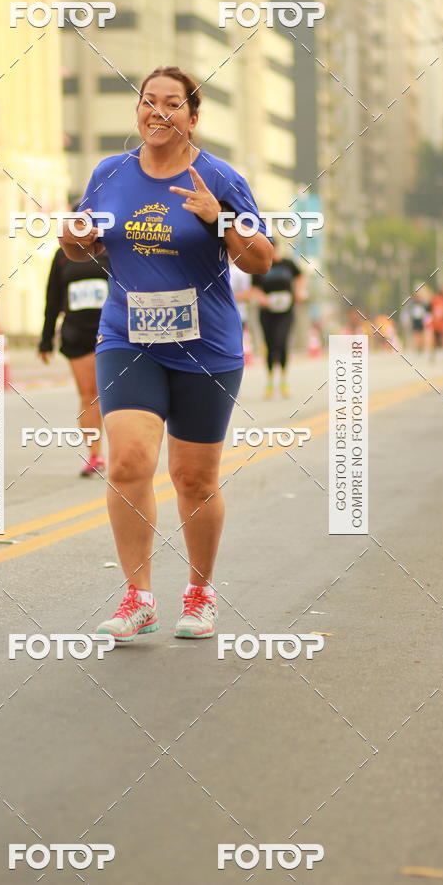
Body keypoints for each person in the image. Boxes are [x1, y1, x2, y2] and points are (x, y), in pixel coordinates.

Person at [59, 65, 273, 642]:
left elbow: (260, 260)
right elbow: (81, 245)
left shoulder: (220, 178)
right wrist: (75, 238)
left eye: (172, 103)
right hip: (128, 336)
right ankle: (139, 596)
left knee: (193, 478)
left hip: (206, 346)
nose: (157, 111)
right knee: (128, 461)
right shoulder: (109, 173)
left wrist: (219, 218)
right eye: (148, 101)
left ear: (193, 118)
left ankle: (200, 594)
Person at [38, 228, 108, 476]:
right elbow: (52, 299)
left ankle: (126, 450)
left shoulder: (111, 250)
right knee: (89, 394)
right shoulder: (61, 255)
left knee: (113, 395)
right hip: (77, 334)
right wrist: (46, 340)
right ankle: (95, 455)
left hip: (111, 331)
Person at [251, 239, 306, 398]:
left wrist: (299, 291)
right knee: (270, 345)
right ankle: (269, 381)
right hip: (267, 311)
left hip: (286, 311)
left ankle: (283, 380)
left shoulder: (288, 264)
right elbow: (255, 288)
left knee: (281, 342)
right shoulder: (260, 266)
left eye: (273, 248)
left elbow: (301, 277)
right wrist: (262, 298)